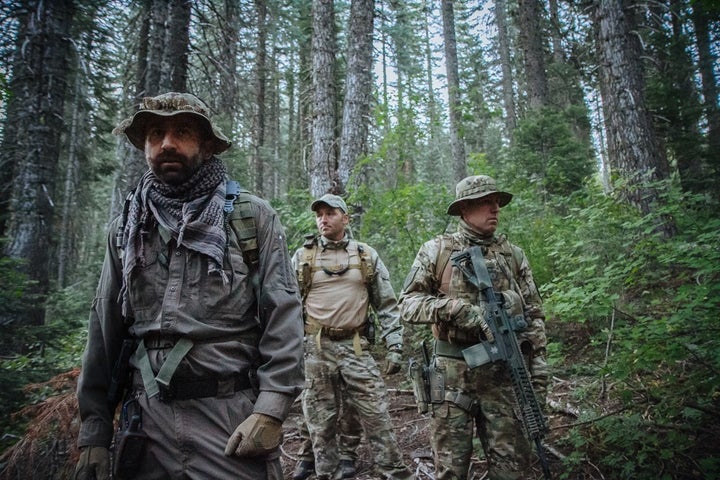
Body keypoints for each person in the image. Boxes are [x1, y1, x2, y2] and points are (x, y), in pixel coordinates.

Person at [73, 92, 304, 479]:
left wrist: (271, 409)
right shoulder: (127, 228)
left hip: (229, 419)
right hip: (145, 424)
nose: (166, 143)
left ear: (207, 144)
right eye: (155, 133)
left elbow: (284, 316)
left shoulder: (251, 218)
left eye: (181, 131)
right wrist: (94, 432)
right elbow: (104, 329)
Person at [399, 175, 549, 480]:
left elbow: (535, 317)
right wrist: (453, 308)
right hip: (450, 374)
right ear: (465, 210)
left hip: (504, 377)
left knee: (513, 469)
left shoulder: (513, 255)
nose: (495, 209)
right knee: (451, 471)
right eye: (486, 202)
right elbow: (407, 304)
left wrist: (539, 377)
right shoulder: (436, 251)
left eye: (497, 202)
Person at [292, 194, 413, 480]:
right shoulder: (303, 257)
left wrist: (395, 344)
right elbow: (287, 305)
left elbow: (385, 303)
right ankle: (327, 473)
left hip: (356, 346)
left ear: (345, 218)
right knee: (320, 419)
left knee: (377, 412)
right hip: (315, 348)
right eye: (319, 214)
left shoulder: (365, 255)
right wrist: (286, 348)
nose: (323, 219)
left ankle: (394, 471)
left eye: (331, 213)